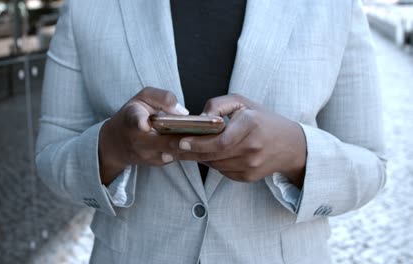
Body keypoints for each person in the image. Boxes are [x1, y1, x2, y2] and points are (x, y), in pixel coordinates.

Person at [36, 0, 386, 263]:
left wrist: (296, 151)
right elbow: (51, 154)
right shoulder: (89, 6)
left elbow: (372, 165)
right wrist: (113, 146)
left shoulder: (333, 6)